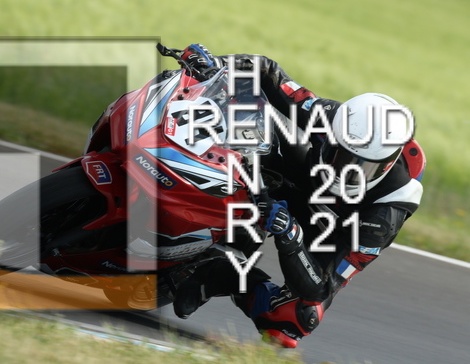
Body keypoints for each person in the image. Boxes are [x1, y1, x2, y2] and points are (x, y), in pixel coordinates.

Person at [173, 44, 425, 348]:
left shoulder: (386, 213)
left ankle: (220, 273)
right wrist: (215, 65)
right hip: (302, 179)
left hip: (328, 231)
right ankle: (186, 189)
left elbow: (320, 288)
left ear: (386, 165)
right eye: (342, 155)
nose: (346, 171)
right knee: (249, 117)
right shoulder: (329, 116)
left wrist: (291, 237)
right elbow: (266, 71)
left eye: (362, 167)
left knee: (298, 318)